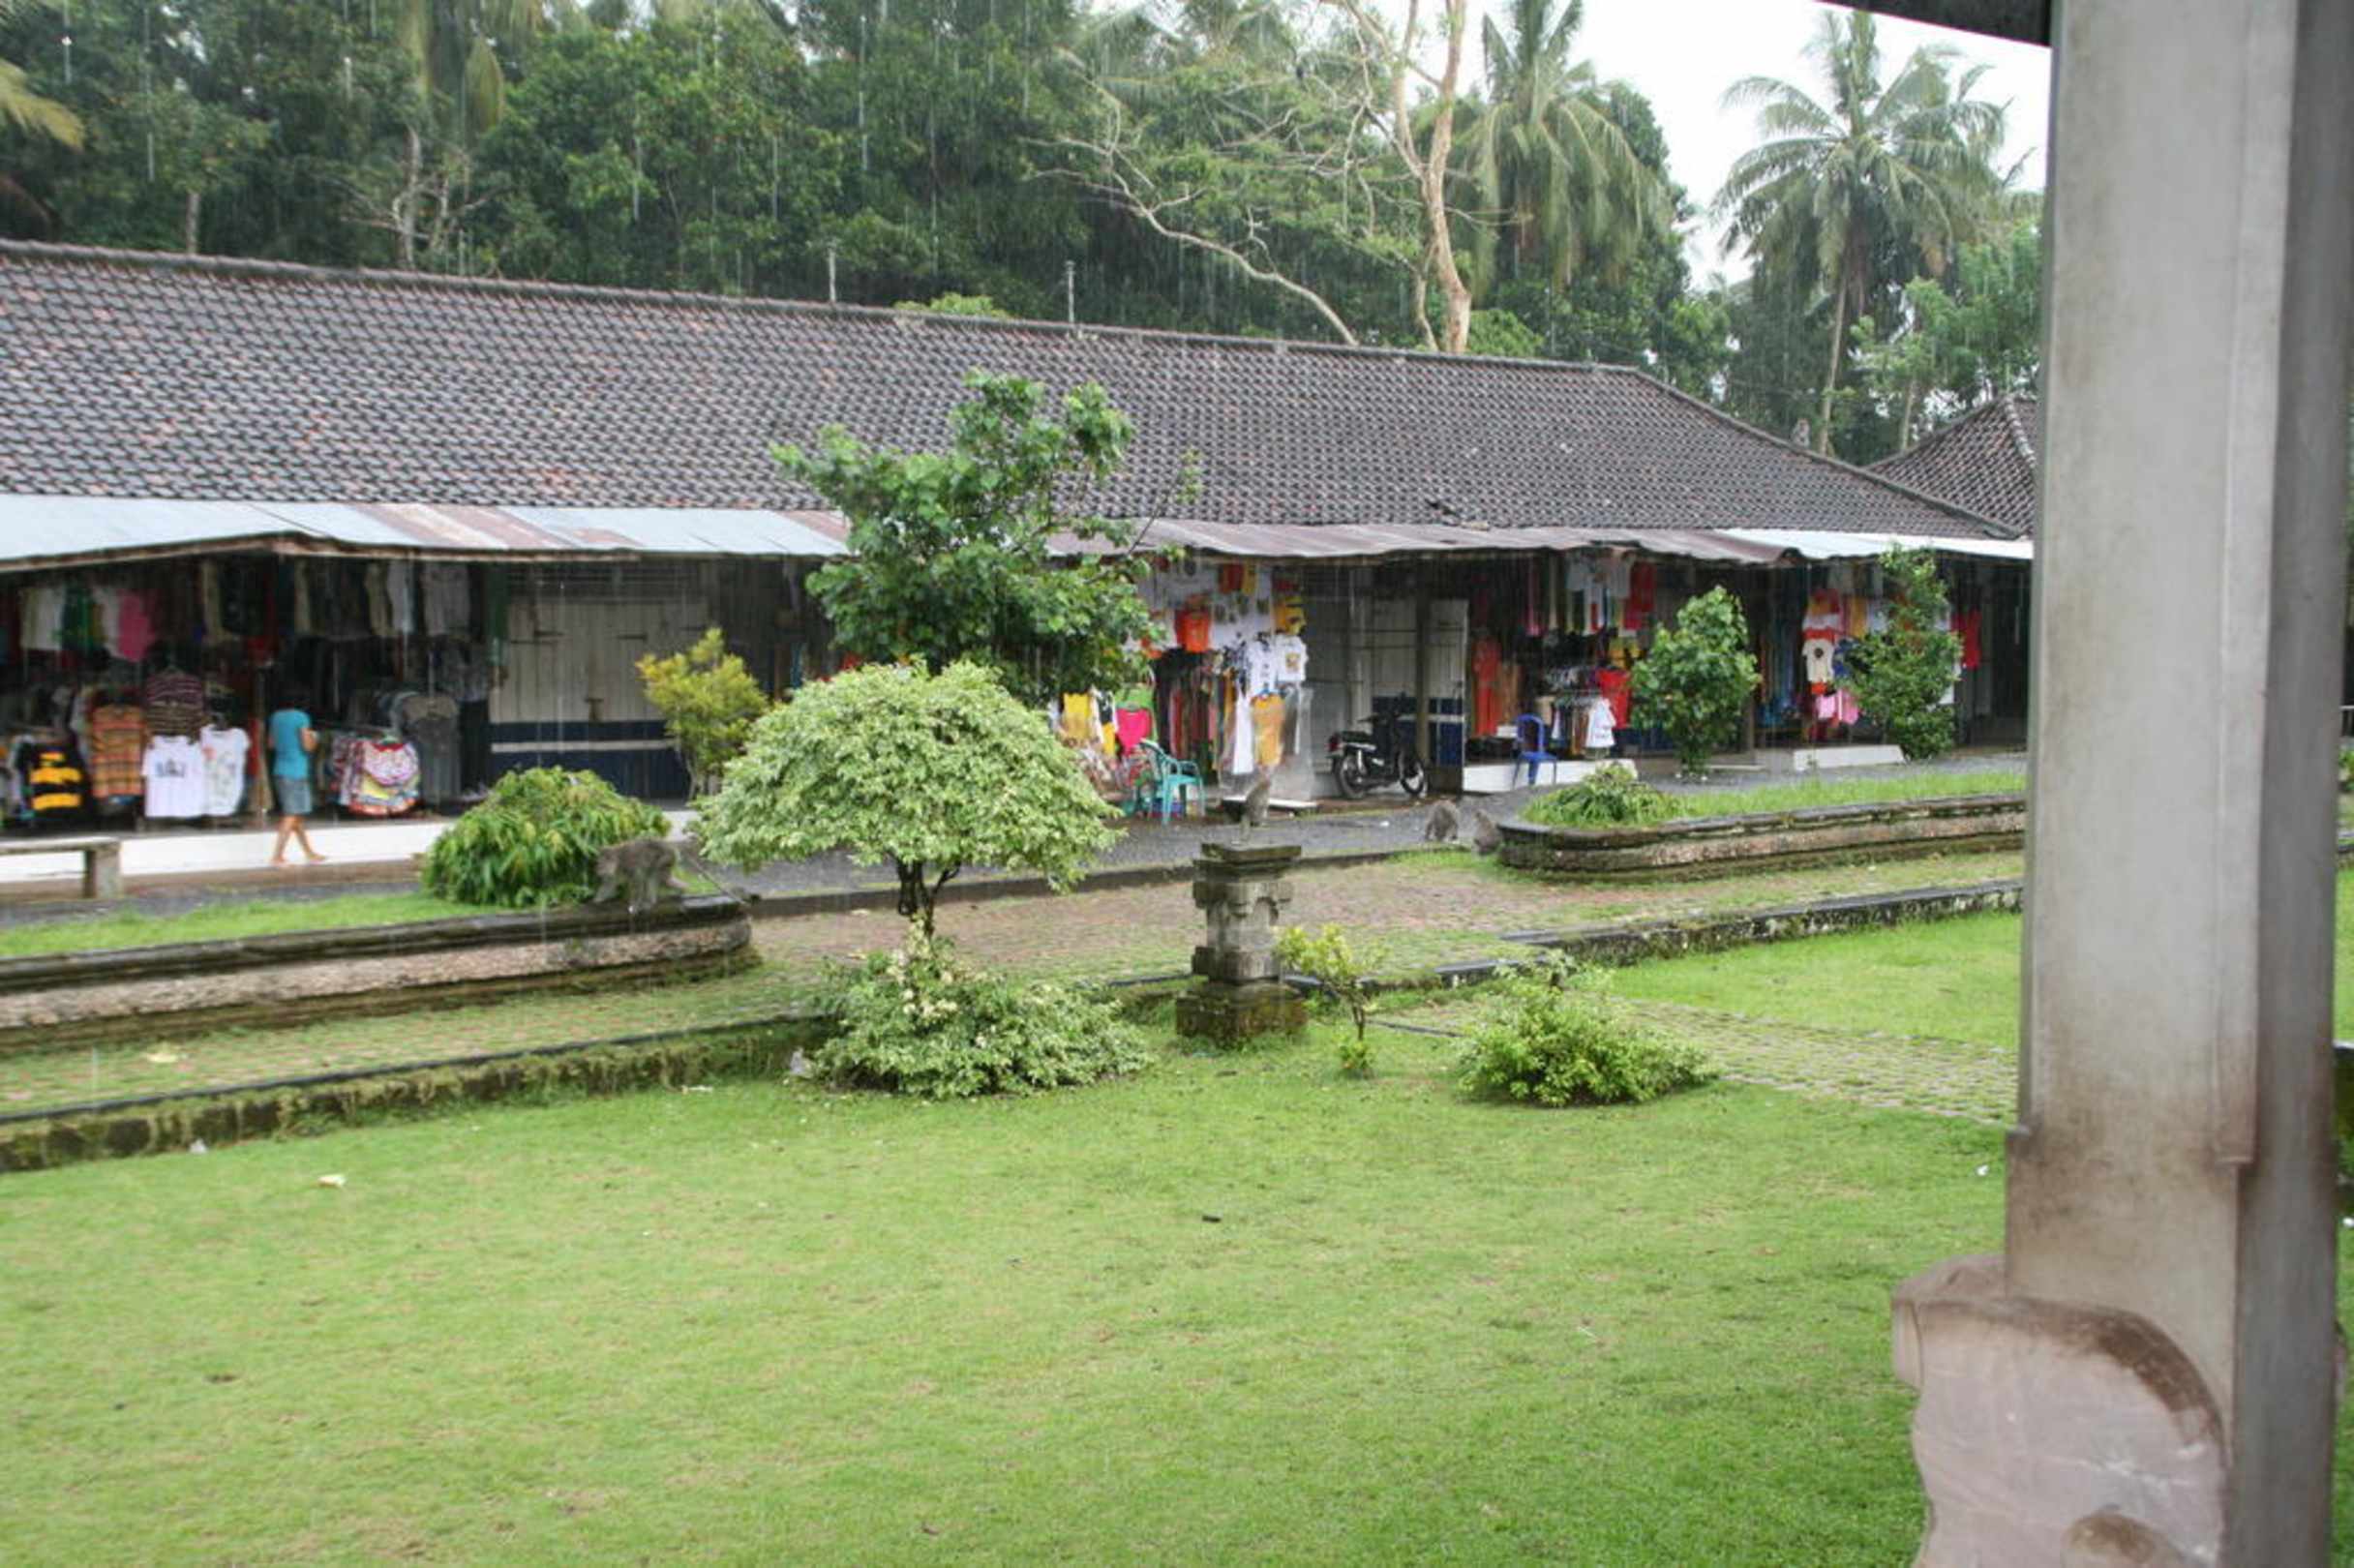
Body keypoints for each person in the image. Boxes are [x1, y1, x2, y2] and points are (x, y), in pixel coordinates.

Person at [267, 693, 326, 867]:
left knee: (297, 816)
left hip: (280, 769)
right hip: (296, 772)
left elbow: (271, 744)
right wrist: (315, 738)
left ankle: (309, 853)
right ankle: (277, 857)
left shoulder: (276, 717)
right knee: (291, 815)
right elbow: (307, 746)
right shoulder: (301, 717)